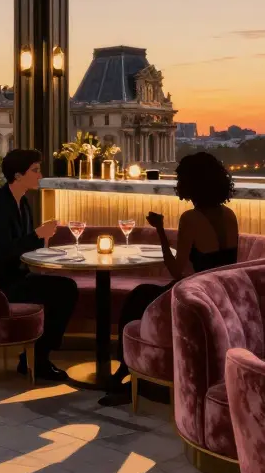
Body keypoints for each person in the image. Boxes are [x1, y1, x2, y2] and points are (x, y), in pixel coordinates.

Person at [100, 152, 239, 406]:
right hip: (219, 294)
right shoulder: (229, 215)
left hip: (193, 294)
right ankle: (128, 373)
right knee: (142, 294)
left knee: (137, 298)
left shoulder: (191, 219)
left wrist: (161, 230)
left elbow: (176, 270)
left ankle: (124, 371)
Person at [0, 148, 77, 382]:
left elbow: (23, 248)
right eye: (35, 170)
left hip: (13, 277)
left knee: (66, 287)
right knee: (62, 290)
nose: (40, 176)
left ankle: (37, 357)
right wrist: (38, 234)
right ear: (18, 175)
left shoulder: (23, 202)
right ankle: (38, 360)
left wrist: (43, 240)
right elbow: (4, 252)